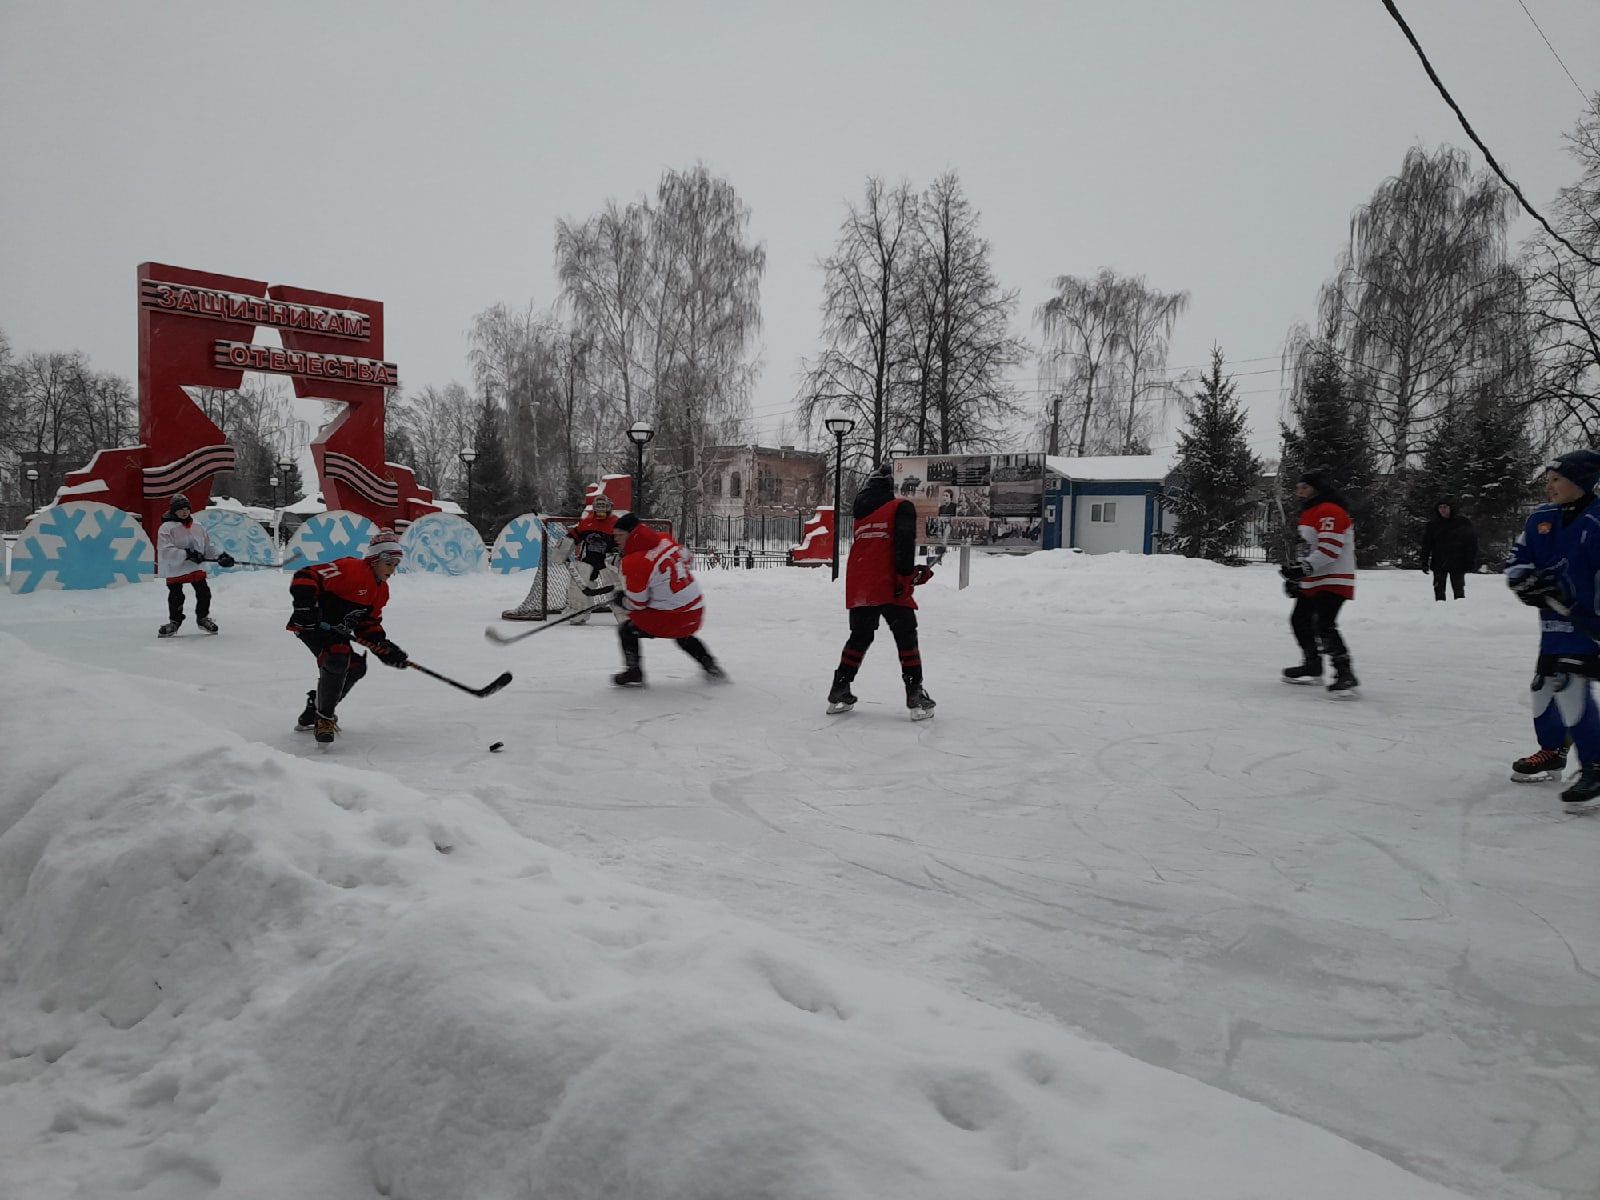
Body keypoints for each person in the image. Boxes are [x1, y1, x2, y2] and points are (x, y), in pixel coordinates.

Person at [1502, 450, 1600, 805]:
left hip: (1588, 626)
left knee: (1569, 685)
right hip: (1553, 624)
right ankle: (1553, 751)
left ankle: (1596, 765)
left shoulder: (1597, 522)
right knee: (1543, 686)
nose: (1549, 485)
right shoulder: (1540, 519)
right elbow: (1517, 559)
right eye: (1549, 478)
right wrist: (1523, 582)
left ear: (1580, 483)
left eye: (1557, 479)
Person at [828, 462, 937, 720]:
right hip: (889, 582)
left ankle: (840, 686)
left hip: (860, 582)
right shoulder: (901, 507)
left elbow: (874, 546)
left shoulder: (861, 514)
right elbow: (902, 546)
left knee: (860, 636)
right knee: (906, 634)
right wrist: (908, 575)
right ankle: (915, 693)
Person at [286, 528, 409, 745]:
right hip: (312, 625)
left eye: (395, 565)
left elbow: (367, 624)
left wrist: (382, 646)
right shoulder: (350, 569)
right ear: (373, 560)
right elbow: (306, 575)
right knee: (337, 655)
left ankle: (317, 705)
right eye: (388, 563)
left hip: (335, 631)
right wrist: (305, 607)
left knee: (355, 667)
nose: (392, 569)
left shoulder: (382, 591)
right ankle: (324, 718)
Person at [610, 513, 724, 686]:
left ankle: (634, 671)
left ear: (632, 533)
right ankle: (711, 667)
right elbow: (688, 557)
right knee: (683, 635)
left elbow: (637, 604)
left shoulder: (633, 561)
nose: (616, 539)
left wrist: (621, 600)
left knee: (627, 629)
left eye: (620, 535)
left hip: (673, 618)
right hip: (696, 610)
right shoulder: (664, 539)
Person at [1280, 468, 1359, 695]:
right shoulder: (1309, 513)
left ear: (1317, 488)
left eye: (1304, 487)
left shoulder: (1330, 510)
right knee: (1299, 620)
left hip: (1334, 578)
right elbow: (1307, 547)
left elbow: (1330, 549)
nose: (1300, 491)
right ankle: (1313, 664)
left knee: (1324, 624)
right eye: (1298, 487)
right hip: (1315, 578)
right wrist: (1298, 575)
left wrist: (1303, 568)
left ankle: (1345, 673)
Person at [155, 493, 234, 637]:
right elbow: (165, 550)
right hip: (176, 569)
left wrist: (221, 556)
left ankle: (202, 618)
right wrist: (187, 554)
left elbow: (207, 546)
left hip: (196, 568)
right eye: (180, 509)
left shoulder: (197, 526)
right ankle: (175, 622)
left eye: (186, 509)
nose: (184, 512)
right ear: (174, 511)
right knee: (176, 597)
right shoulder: (166, 528)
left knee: (204, 594)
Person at [563, 494, 621, 625]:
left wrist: (618, 552)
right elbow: (573, 536)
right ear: (594, 508)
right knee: (578, 587)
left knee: (617, 587)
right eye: (598, 506)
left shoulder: (616, 523)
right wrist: (563, 548)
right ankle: (577, 613)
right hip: (588, 561)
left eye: (603, 506)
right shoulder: (587, 522)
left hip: (608, 562)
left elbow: (622, 542)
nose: (601, 510)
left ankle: (625, 616)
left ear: (609, 507)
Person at [1419, 498, 1478, 601]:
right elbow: (1427, 544)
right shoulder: (1433, 525)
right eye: (1440, 507)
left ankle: (1460, 612)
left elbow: (1471, 544)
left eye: (1445, 507)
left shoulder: (1462, 523)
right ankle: (1440, 612)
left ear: (1451, 508)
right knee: (1439, 591)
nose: (1442, 510)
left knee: (1459, 592)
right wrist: (1424, 561)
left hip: (1458, 562)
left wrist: (1470, 561)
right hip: (1439, 562)